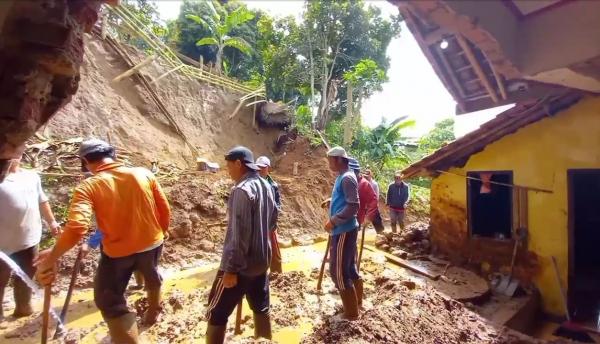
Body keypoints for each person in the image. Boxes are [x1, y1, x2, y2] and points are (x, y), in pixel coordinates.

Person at [35, 138, 171, 343]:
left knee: (110, 301)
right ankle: (152, 313)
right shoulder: (144, 174)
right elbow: (164, 209)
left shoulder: (89, 186)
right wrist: (162, 232)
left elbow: (77, 227)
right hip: (152, 243)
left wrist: (51, 258)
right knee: (152, 276)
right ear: (112, 155)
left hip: (118, 254)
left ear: (85, 161)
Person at [205, 146, 277, 344]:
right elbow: (272, 223)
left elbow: (240, 235)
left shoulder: (241, 190)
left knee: (216, 312)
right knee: (261, 308)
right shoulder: (267, 187)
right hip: (261, 262)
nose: (227, 171)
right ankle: (264, 340)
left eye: (229, 166)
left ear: (239, 164)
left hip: (240, 266)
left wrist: (231, 269)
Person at [0, 157, 61, 319]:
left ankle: (23, 309)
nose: (13, 156)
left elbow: (42, 201)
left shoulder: (31, 176)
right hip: (2, 245)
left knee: (27, 277)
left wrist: (52, 222)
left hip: (29, 239)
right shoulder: (1, 179)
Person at [324, 147, 360, 320]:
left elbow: (353, 206)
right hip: (345, 229)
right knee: (349, 268)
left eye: (330, 160)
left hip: (343, 230)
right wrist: (332, 201)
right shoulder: (344, 176)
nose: (329, 163)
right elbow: (346, 199)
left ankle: (351, 313)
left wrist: (333, 221)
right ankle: (357, 303)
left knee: (338, 272)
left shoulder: (346, 178)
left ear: (339, 160)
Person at [347, 158, 379, 309]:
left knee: (350, 250)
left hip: (355, 221)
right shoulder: (347, 180)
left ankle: (353, 282)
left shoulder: (364, 185)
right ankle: (347, 277)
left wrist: (368, 217)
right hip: (344, 220)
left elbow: (373, 200)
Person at [255, 156, 283, 274]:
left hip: (269, 223)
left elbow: (277, 206)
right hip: (257, 223)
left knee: (274, 249)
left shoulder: (273, 185)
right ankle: (259, 273)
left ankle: (277, 273)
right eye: (258, 167)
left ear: (268, 168)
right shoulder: (253, 184)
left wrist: (272, 223)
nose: (260, 170)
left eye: (263, 167)